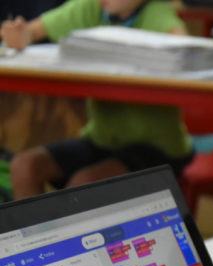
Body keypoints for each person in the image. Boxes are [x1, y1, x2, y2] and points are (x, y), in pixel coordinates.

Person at [1, 0, 192, 199]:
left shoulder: (156, 14)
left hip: (157, 148)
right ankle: (39, 230)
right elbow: (32, 31)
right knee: (24, 167)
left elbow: (186, 52)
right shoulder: (90, 8)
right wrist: (20, 35)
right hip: (101, 140)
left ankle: (71, 230)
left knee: (83, 184)